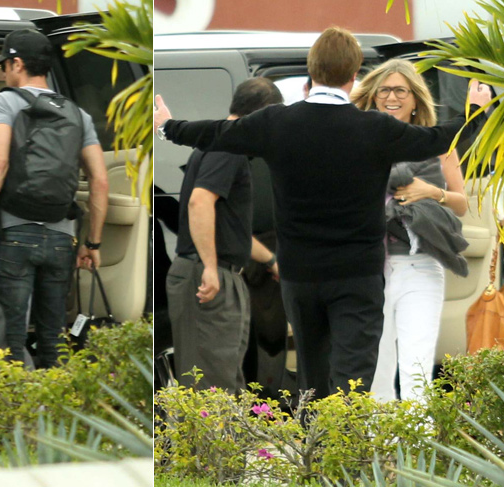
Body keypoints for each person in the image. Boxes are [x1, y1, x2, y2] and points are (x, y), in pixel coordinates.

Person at [154, 27, 491, 400]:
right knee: (352, 380)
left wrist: (168, 127)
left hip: (300, 275)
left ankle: (313, 453)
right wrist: (476, 111)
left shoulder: (275, 123)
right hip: (357, 275)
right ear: (354, 75)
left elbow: (216, 133)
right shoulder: (377, 129)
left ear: (312, 72)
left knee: (312, 379)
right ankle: (348, 454)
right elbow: (442, 137)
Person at [0, 29, 109, 368]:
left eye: (4, 65)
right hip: (62, 237)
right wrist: (94, 244)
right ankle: (55, 416)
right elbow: (100, 181)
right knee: (53, 337)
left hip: (13, 234)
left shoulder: (4, 101)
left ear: (17, 63)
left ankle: (17, 417)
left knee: (11, 339)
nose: (3, 73)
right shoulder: (78, 113)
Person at [351, 59, 469, 401]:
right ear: (373, 97)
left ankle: (417, 450)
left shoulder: (437, 142)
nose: (392, 97)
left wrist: (432, 192)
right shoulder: (358, 141)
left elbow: (461, 203)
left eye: (400, 90)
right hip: (370, 268)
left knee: (416, 367)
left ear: (415, 98)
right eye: (384, 90)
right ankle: (380, 451)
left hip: (419, 265)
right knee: (377, 368)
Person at [167, 78, 281, 393]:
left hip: (219, 273)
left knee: (224, 379)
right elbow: (200, 201)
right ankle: (208, 446)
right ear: (262, 116)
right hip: (209, 277)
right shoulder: (229, 146)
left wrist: (271, 260)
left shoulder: (221, 144)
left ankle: (226, 444)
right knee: (211, 389)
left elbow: (228, 226)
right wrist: (209, 267)